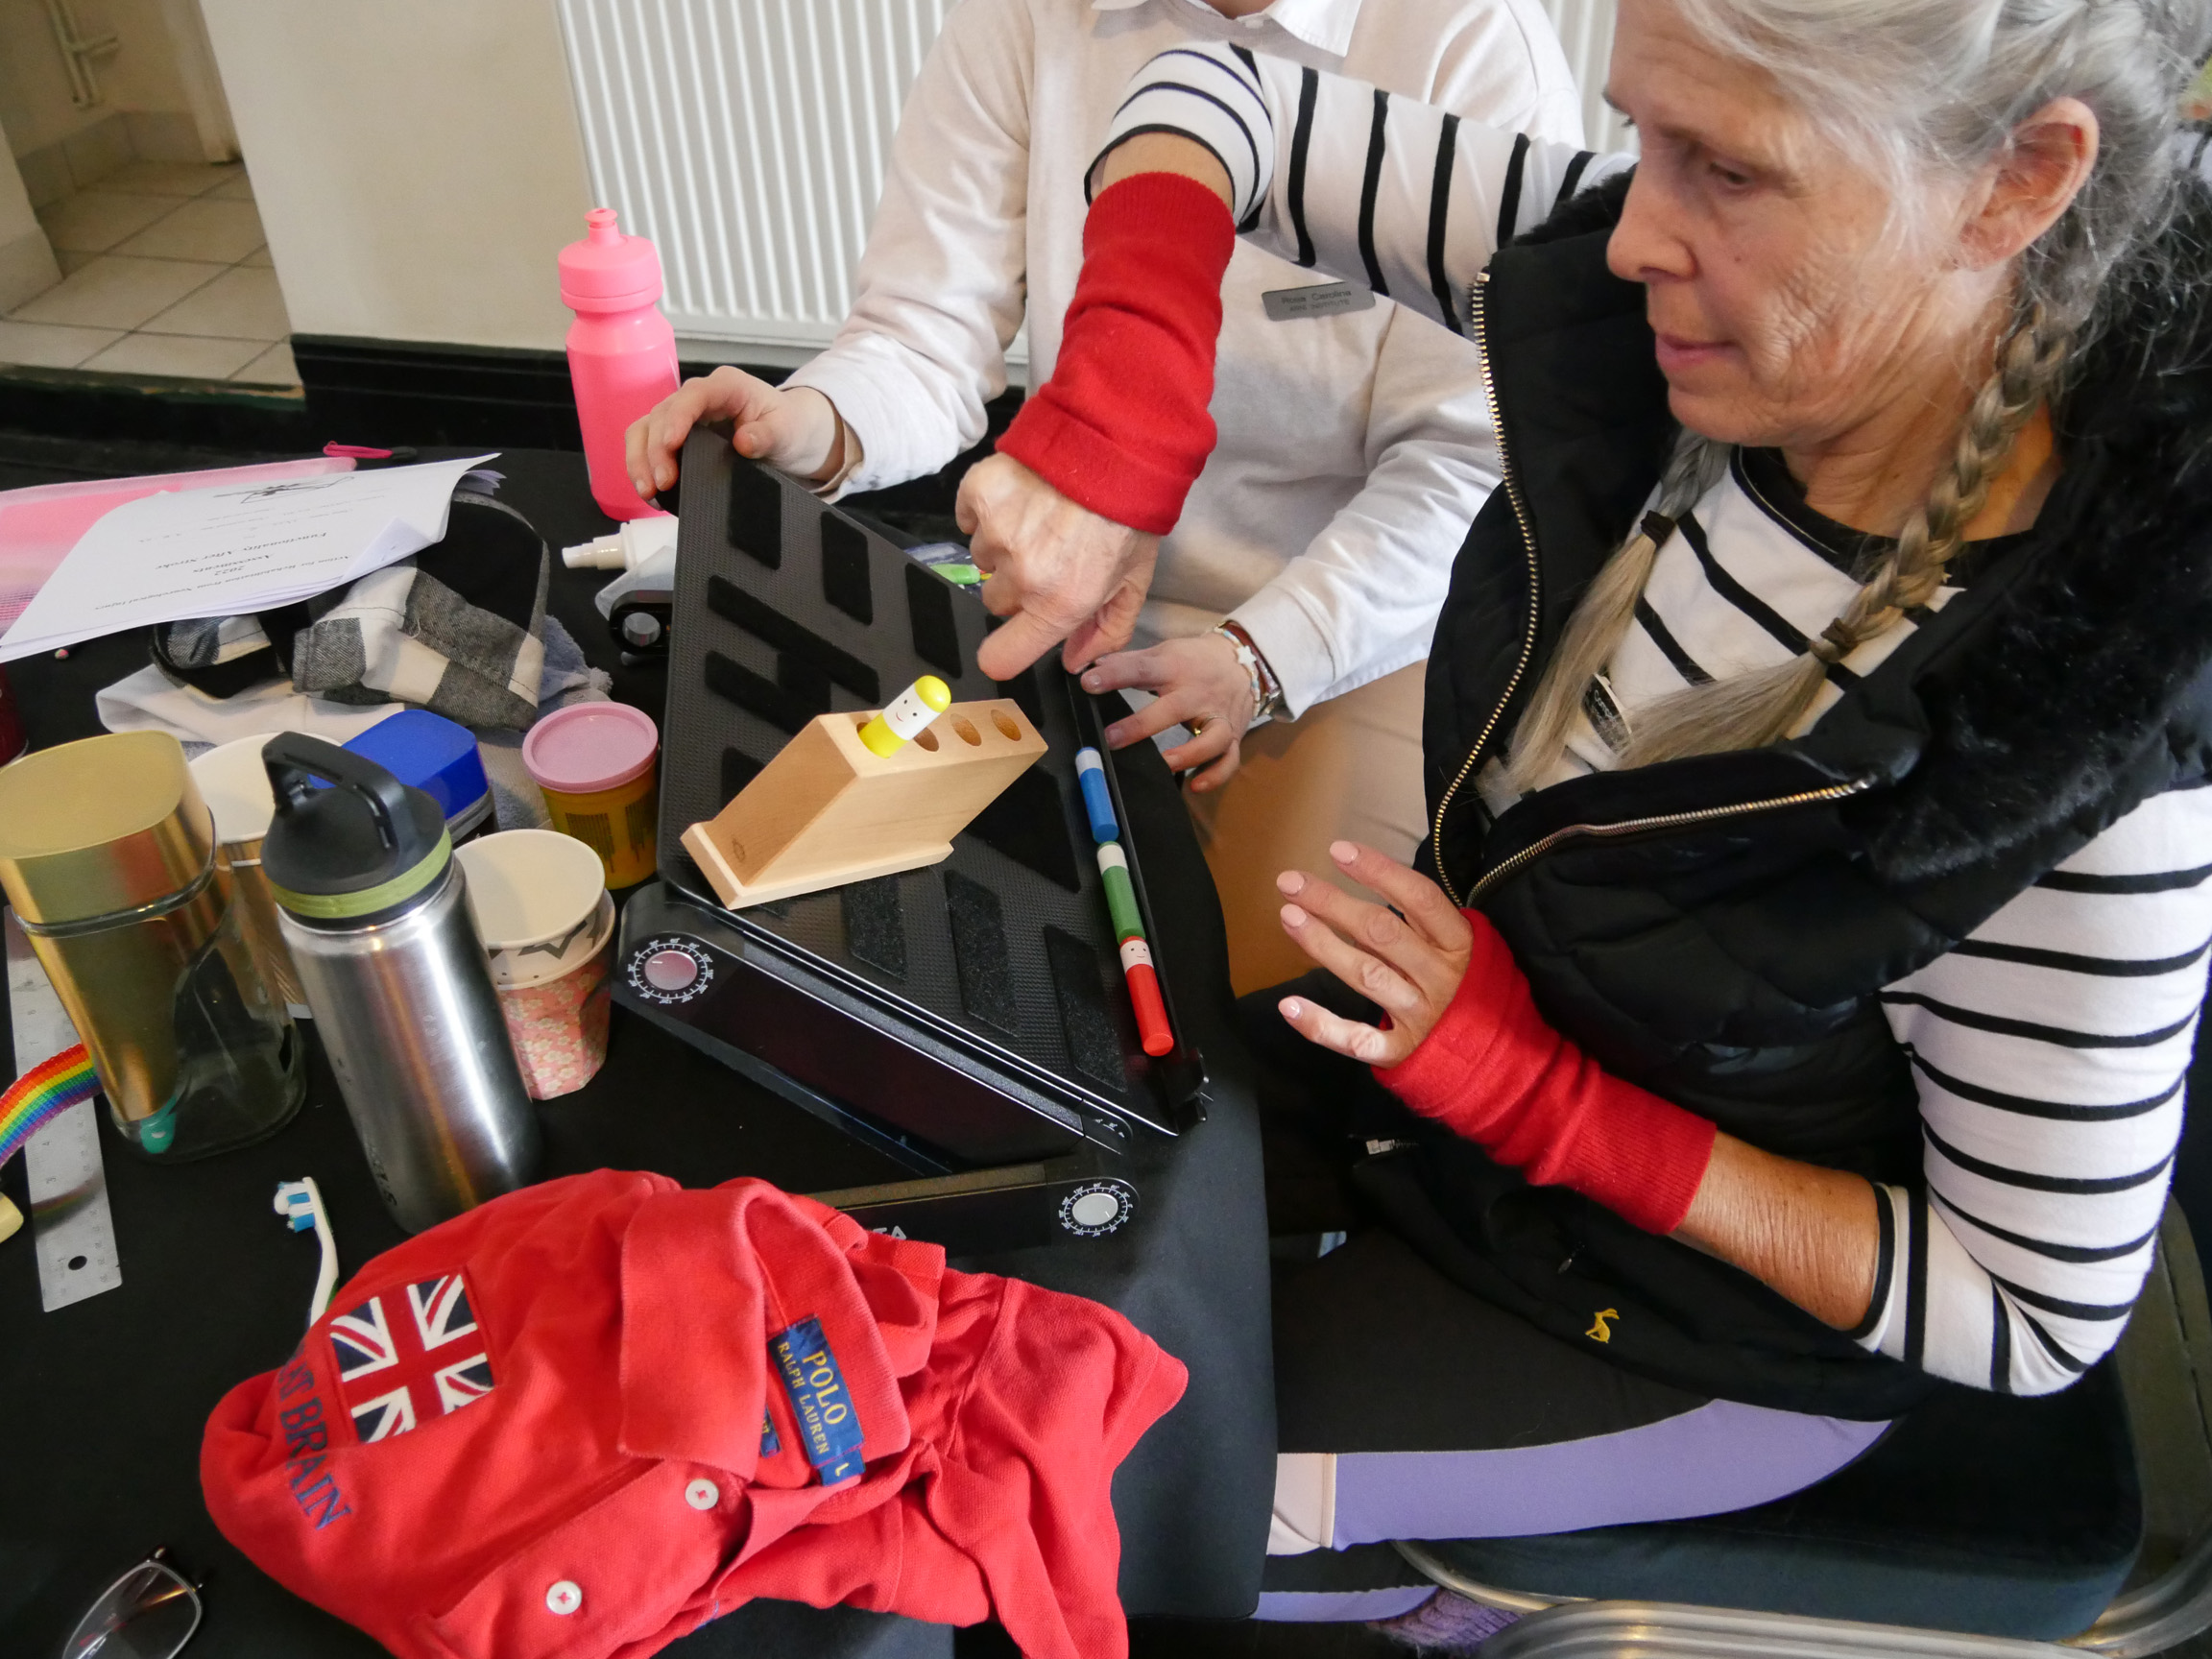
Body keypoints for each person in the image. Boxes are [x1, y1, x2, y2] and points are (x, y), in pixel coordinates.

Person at [962, 0, 2212, 1639]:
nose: (1629, 236)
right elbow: (1211, 94)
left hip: (1688, 1316)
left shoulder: (2077, 760)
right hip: (1465, 1080)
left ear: (2016, 180)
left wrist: (1539, 1099)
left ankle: (1440, 1600)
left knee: (1066, 1497)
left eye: (1727, 170)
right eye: (1643, 138)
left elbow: (2024, 1314)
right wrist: (1113, 423)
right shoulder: (1673, 286)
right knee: (1001, 1216)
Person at [624, 0, 1587, 992]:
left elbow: (1466, 463)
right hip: (1076, 596)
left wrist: (1262, 656)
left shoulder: (1470, 44)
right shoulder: (1044, 25)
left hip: (1348, 621)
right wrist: (814, 421)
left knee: (1263, 1003)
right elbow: (929, 330)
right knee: (941, 948)